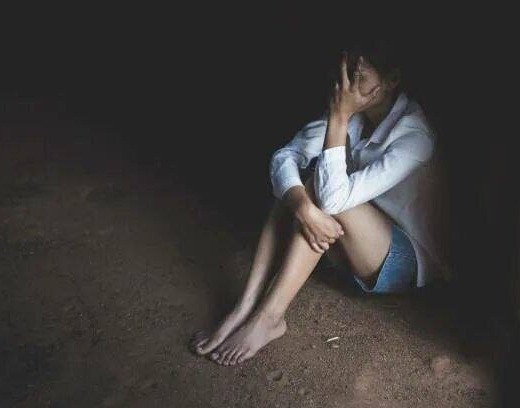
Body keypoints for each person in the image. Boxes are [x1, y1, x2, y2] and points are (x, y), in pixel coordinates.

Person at [190, 40, 452, 366]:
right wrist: (301, 206)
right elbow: (285, 157)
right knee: (296, 191)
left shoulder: (414, 136)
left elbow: (331, 198)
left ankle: (270, 318)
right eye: (345, 70)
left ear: (391, 80)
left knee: (317, 187)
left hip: (403, 263)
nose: (346, 85)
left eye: (358, 75)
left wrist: (339, 118)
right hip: (345, 241)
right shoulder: (355, 114)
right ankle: (245, 307)